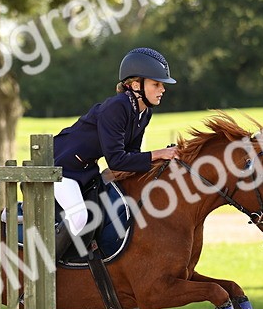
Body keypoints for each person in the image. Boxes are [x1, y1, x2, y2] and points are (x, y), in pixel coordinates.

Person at [52, 47, 178, 258]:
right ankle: (43, 273)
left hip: (86, 171)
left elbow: (132, 155)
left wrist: (161, 162)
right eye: (156, 84)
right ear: (136, 85)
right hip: (59, 168)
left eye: (162, 85)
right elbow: (117, 160)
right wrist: (157, 154)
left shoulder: (143, 112)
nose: (162, 89)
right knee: (81, 217)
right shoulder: (116, 107)